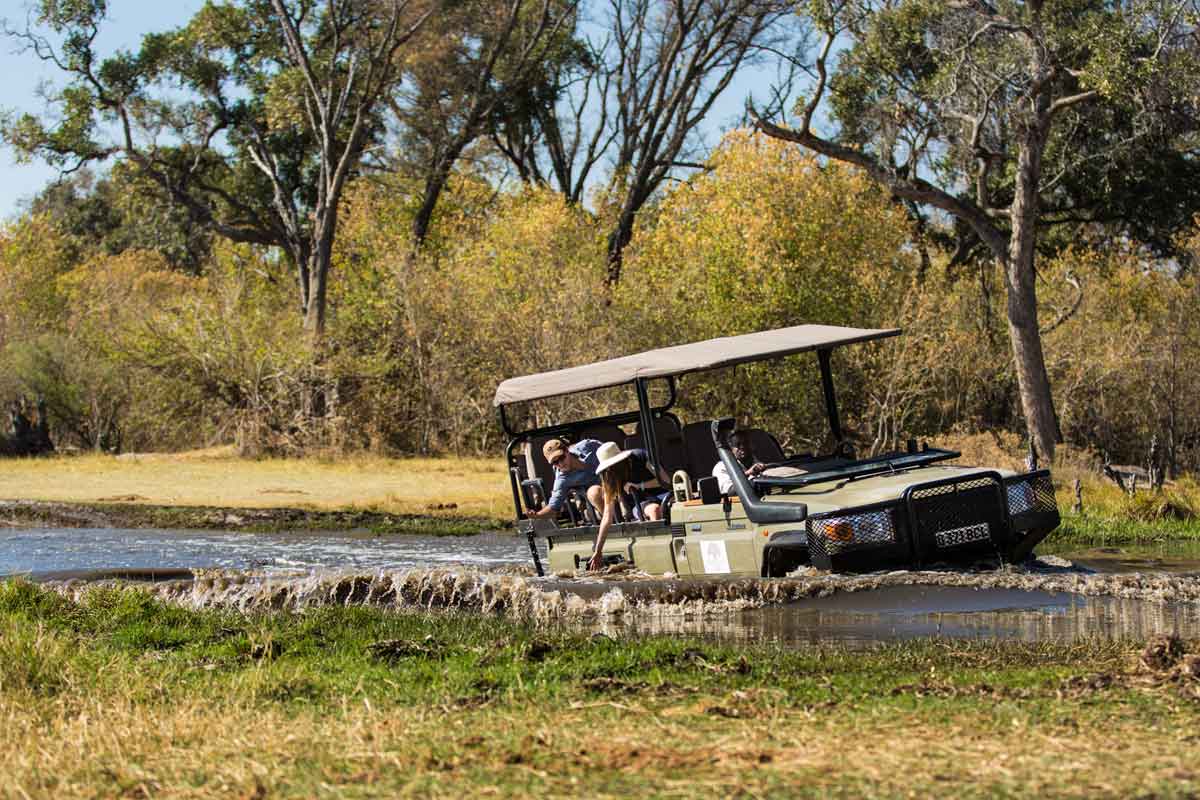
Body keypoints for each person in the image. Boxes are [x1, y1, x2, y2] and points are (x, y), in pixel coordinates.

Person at [587, 441, 671, 571]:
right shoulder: (609, 478)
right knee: (654, 510)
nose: (614, 468)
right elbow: (607, 517)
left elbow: (665, 480)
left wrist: (639, 486)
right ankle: (662, 553)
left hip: (663, 493)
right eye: (610, 466)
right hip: (640, 503)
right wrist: (598, 550)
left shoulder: (641, 456)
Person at [526, 437, 604, 520]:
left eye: (561, 458)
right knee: (594, 493)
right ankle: (613, 521)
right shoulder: (562, 480)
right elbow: (553, 508)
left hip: (615, 481)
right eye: (555, 462)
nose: (560, 464)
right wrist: (537, 515)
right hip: (601, 495)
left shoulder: (589, 446)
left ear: (567, 451)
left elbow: (611, 451)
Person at [712, 429, 767, 494]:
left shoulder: (757, 461)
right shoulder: (722, 467)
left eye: (745, 443)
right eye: (737, 444)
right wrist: (748, 473)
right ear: (730, 448)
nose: (742, 447)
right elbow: (730, 491)